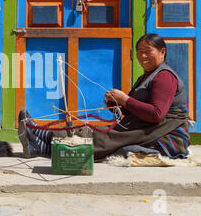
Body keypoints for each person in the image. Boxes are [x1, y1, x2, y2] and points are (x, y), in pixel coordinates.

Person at [19, 33, 191, 160]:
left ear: (162, 52)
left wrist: (125, 100)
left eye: (148, 51)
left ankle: (40, 137)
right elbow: (140, 110)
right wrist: (117, 105)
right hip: (146, 127)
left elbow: (157, 115)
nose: (143, 56)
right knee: (97, 131)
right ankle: (39, 142)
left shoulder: (164, 77)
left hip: (162, 133)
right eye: (139, 52)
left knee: (100, 137)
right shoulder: (147, 76)